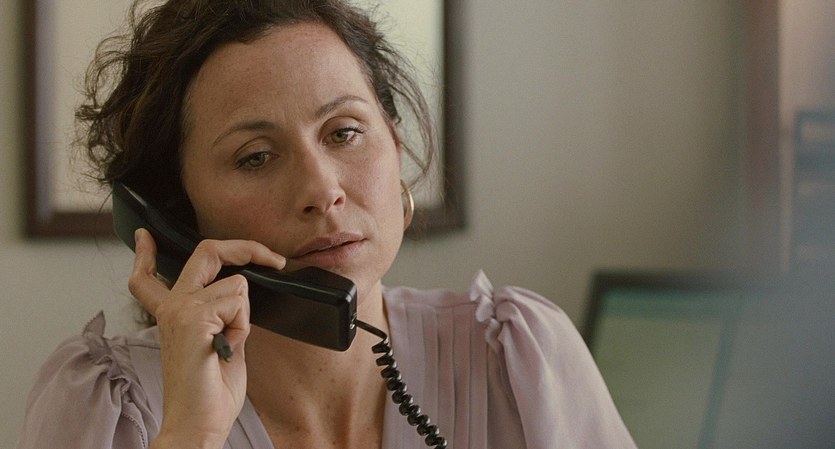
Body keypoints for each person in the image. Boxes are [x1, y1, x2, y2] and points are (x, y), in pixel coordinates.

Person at [16, 1, 636, 448]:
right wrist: (192, 433)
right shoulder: (106, 408)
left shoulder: (520, 361)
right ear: (176, 213)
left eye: (344, 133)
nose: (322, 191)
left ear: (394, 145)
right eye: (256, 157)